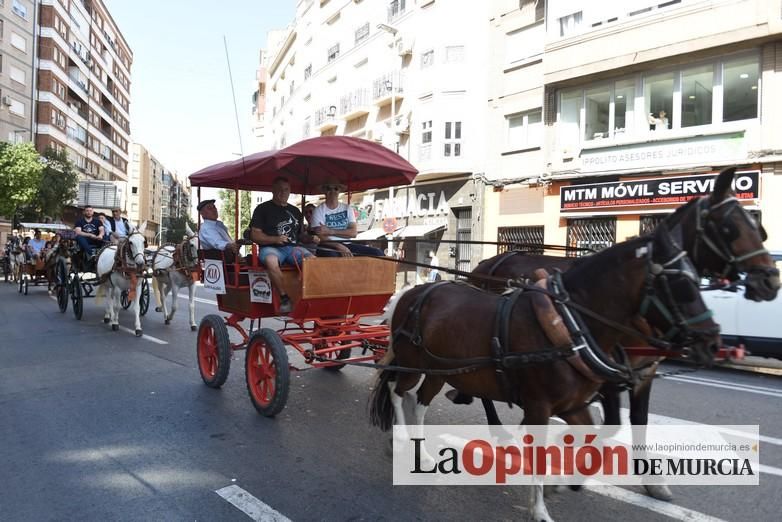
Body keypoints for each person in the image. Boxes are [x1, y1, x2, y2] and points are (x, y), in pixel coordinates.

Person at [250, 176, 315, 313]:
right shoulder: (262, 209)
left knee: (313, 262)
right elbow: (255, 235)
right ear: (273, 191)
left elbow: (300, 236)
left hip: (293, 248)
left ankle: (305, 294)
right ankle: (285, 298)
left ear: (290, 191)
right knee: (271, 260)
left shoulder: (295, 211)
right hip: (271, 248)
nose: (283, 193)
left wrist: (310, 238)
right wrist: (275, 239)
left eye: (286, 189)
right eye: (279, 190)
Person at [311, 177, 384, 257]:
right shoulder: (318, 210)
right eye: (329, 188)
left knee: (378, 253)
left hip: (347, 244)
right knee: (333, 257)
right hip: (327, 245)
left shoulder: (347, 208)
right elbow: (321, 236)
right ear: (324, 191)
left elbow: (353, 233)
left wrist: (330, 231)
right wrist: (339, 245)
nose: (332, 191)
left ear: (339, 191)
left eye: (335, 188)